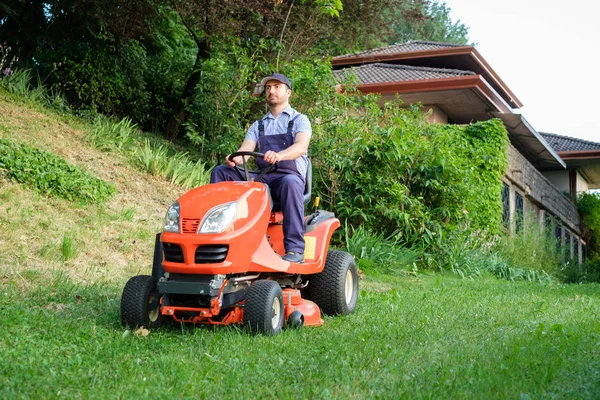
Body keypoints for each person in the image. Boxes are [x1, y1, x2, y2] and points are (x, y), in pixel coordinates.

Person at [210, 73, 312, 263]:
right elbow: (246, 149)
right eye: (268, 88)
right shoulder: (258, 125)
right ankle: (217, 234)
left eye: (277, 87)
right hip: (262, 177)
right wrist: (235, 159)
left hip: (287, 176)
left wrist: (279, 155)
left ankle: (295, 250)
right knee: (220, 171)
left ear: (288, 92)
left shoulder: (300, 120)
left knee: (290, 183)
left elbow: (300, 147)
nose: (271, 91)